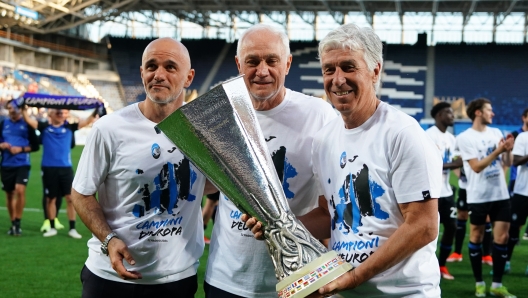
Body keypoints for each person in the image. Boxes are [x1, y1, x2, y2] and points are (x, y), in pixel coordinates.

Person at [245, 23, 442, 297]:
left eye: (348, 67)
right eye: (329, 69)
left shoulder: (403, 134)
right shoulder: (325, 140)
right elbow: (330, 215)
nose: (337, 79)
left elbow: (424, 225)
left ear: (375, 71)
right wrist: (276, 225)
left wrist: (354, 277)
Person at [71, 37, 216, 298]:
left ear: (189, 77)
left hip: (176, 280)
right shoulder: (109, 128)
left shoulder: (204, 134)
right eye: (151, 66)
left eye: (170, 67)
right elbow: (81, 193)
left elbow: (214, 185)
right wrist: (108, 239)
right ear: (142, 72)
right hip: (109, 278)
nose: (158, 74)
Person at [204, 24, 337, 297]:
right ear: (239, 64)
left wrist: (278, 229)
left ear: (287, 64)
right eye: (252, 61)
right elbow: (205, 186)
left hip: (296, 278)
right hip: (226, 279)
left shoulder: (320, 116)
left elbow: (331, 211)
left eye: (272, 61)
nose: (262, 71)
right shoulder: (218, 114)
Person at [455, 98, 515, 297]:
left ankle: (497, 285)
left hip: (500, 194)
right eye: (489, 110)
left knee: (502, 238)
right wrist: (499, 150)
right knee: (477, 237)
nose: (493, 113)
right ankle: (479, 283)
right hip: (478, 196)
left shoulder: (496, 133)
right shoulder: (465, 138)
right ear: (478, 113)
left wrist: (508, 151)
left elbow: (507, 162)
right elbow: (476, 167)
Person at [21, 107, 95, 239]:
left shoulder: (70, 128)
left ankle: (72, 228)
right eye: (57, 112)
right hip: (49, 168)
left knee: (70, 199)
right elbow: (29, 120)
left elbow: (88, 121)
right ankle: (52, 226)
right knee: (51, 198)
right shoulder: (44, 127)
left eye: (62, 112)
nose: (60, 114)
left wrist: (96, 109)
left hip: (66, 168)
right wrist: (23, 108)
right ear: (51, 114)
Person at [425, 102, 462, 280]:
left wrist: (461, 173)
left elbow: (455, 162)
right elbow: (427, 164)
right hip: (432, 192)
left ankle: (442, 266)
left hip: (447, 191)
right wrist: (454, 164)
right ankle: (426, 266)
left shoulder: (451, 138)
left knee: (452, 227)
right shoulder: (428, 136)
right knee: (430, 232)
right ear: (439, 115)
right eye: (449, 112)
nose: (452, 115)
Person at [0, 99, 39, 236]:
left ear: (19, 109)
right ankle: (13, 224)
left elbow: (35, 146)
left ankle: (18, 222)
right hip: (6, 164)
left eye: (14, 108)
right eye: (9, 108)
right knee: (9, 194)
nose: (12, 110)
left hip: (22, 163)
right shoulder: (3, 123)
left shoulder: (27, 124)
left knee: (20, 190)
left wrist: (21, 149)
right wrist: (2, 145)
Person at [507, 130, 528, 275]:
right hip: (523, 191)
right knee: (513, 229)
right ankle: (505, 262)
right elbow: (516, 161)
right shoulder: (523, 137)